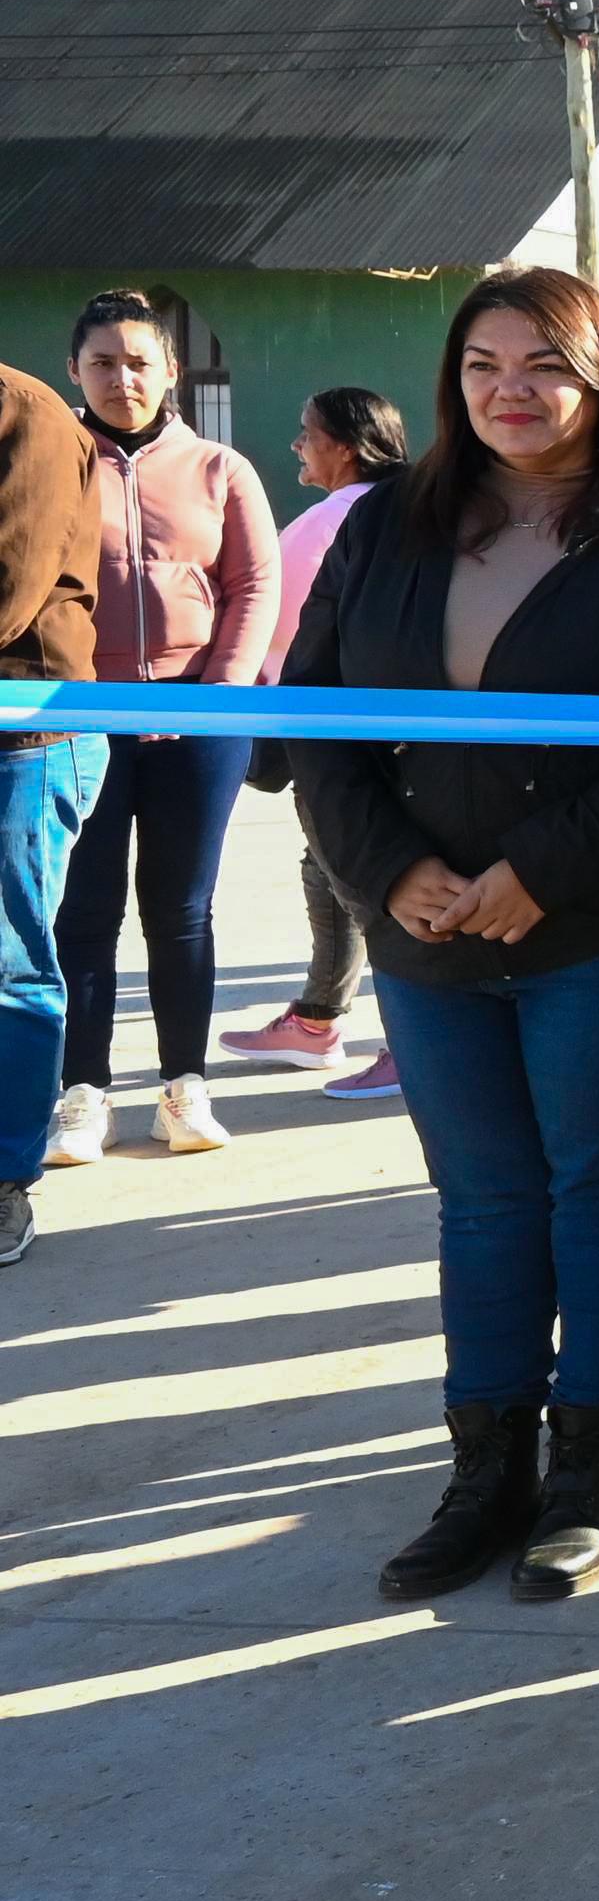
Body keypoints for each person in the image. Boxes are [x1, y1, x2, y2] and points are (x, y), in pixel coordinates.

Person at [286, 271, 599, 1601]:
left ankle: (591, 1476)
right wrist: (391, 874)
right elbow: (317, 720)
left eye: (544, 364)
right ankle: (485, 1473)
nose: (510, 390)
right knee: (482, 1203)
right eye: (482, 364)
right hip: (428, 939)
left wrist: (540, 868)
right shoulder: (385, 526)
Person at [49, 290, 276, 1166]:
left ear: (170, 372)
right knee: (85, 911)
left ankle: (185, 1086)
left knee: (181, 911)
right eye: (102, 363)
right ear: (74, 370)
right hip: (82, 719)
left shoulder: (223, 468)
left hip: (199, 722)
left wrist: (214, 696)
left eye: (140, 362)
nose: (122, 378)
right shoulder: (52, 462)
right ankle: (83, 1093)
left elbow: (256, 587)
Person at [223, 388, 411, 1086]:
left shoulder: (334, 518)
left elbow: (276, 619)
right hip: (371, 730)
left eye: (307, 435)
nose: (298, 446)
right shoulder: (404, 509)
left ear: (345, 446)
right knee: (330, 869)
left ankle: (407, 1043)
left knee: (359, 878)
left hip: (328, 729)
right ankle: (318, 1019)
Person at [0, 353, 99, 1273]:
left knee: (9, 964)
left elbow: (10, 591)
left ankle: (4, 1180)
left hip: (26, 739)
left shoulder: (21, 415)